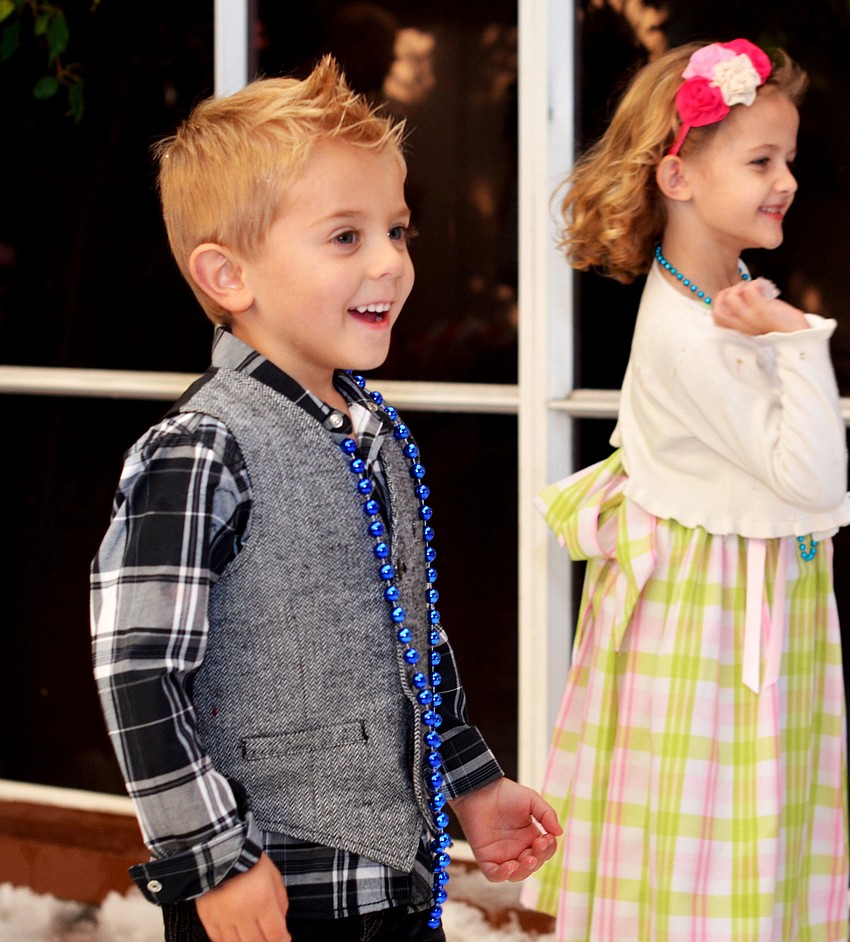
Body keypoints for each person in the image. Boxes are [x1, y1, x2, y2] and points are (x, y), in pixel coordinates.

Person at [90, 56, 561, 942]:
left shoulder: (365, 428)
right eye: (346, 237)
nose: (390, 261)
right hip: (271, 884)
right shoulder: (203, 449)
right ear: (230, 276)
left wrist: (469, 780)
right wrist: (212, 861)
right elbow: (138, 671)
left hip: (391, 875)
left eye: (398, 229)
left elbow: (404, 632)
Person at [520, 38, 850, 940]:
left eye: (789, 159)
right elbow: (817, 483)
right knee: (715, 855)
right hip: (709, 630)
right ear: (679, 176)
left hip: (733, 604)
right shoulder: (693, 336)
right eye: (760, 160)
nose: (785, 180)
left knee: (726, 844)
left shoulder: (722, 290)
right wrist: (800, 343)